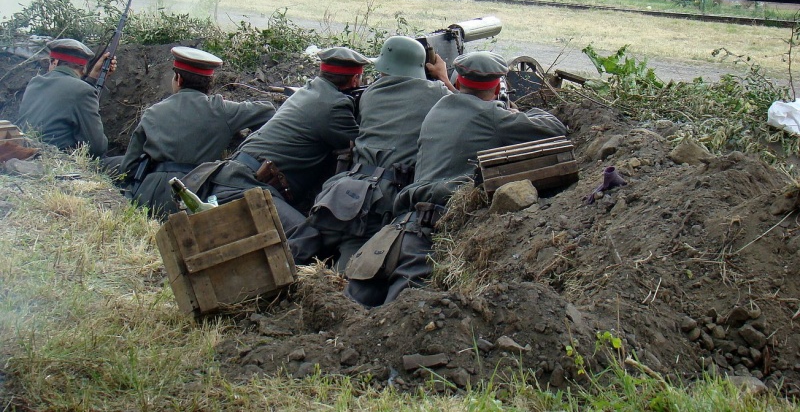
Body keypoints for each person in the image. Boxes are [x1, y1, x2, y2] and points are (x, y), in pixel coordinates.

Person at [344, 51, 568, 307]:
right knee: (398, 321)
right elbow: (555, 128)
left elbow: (463, 103)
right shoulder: (494, 117)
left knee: (351, 312)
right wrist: (510, 107)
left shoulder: (438, 106)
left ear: (458, 82)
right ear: (496, 88)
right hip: (433, 238)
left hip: (398, 229)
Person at [287, 36, 456, 271]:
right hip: (382, 201)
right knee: (353, 272)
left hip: (342, 191)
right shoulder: (436, 94)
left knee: (307, 246)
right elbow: (463, 109)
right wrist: (443, 77)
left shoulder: (370, 94)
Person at [205, 46, 369, 217]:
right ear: (355, 79)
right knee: (306, 237)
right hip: (250, 185)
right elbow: (361, 146)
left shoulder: (308, 91)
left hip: (236, 174)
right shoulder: (334, 105)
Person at [119, 46, 276, 219]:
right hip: (197, 192)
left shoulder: (152, 112)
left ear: (178, 79)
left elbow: (128, 167)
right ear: (210, 82)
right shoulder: (222, 110)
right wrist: (245, 140)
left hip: (150, 194)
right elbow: (268, 111)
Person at [17, 38, 116, 158]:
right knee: (131, 165)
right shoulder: (83, 91)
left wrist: (93, 78)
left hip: (26, 155)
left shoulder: (34, 83)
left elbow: (68, 93)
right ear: (83, 68)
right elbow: (97, 148)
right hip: (58, 161)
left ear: (54, 62)